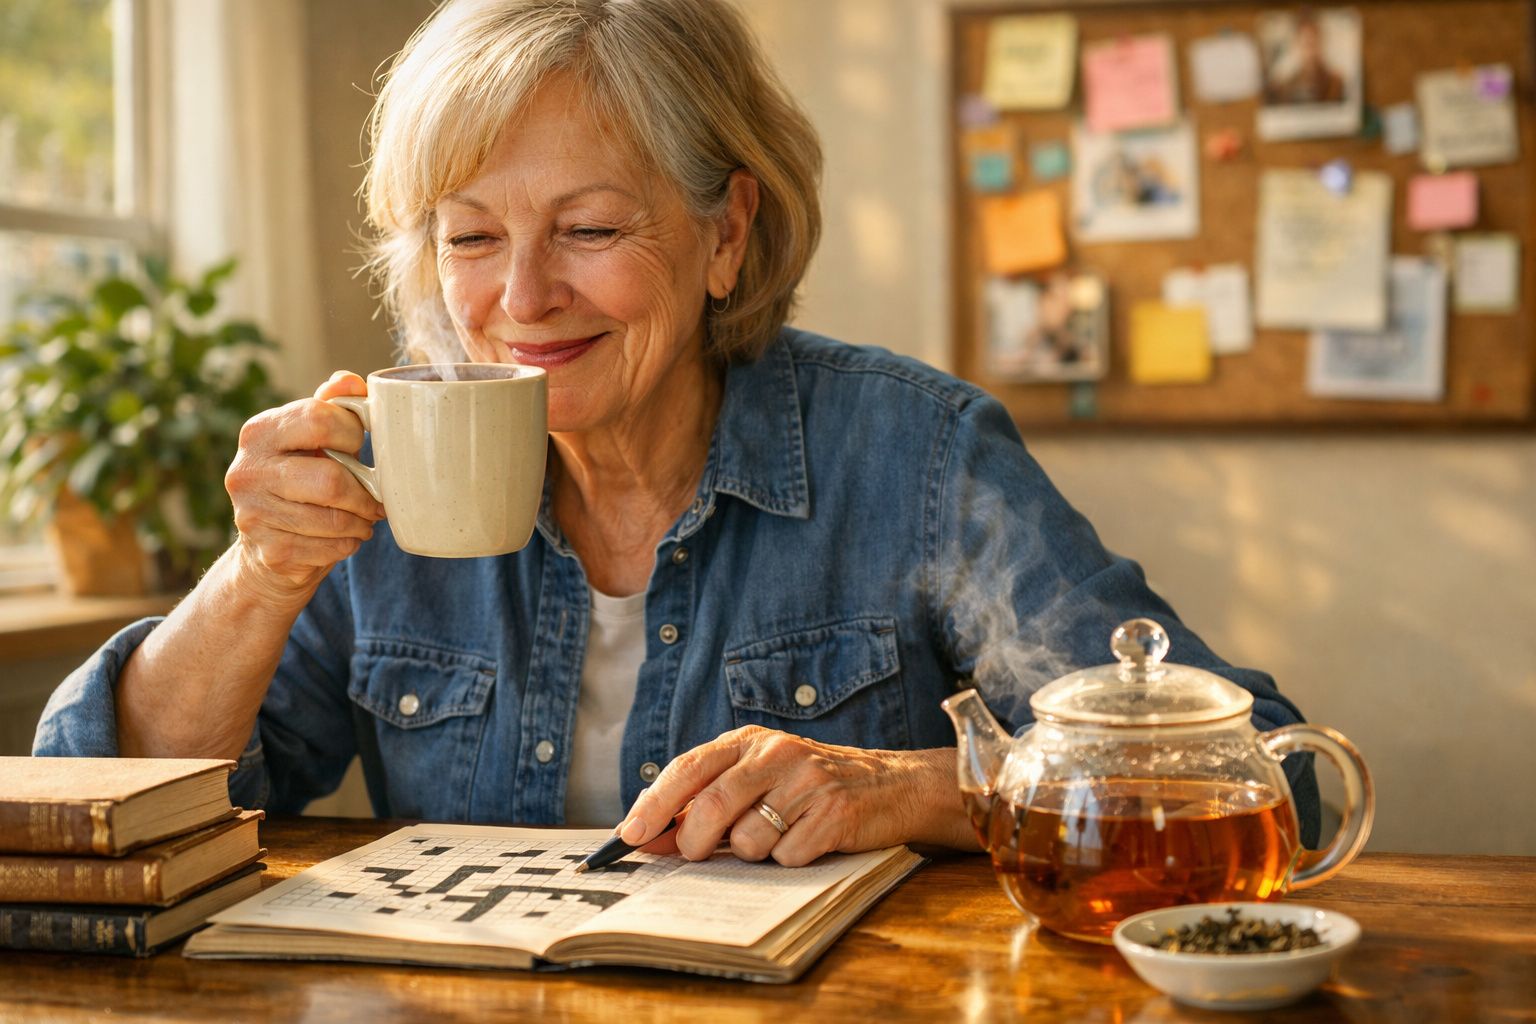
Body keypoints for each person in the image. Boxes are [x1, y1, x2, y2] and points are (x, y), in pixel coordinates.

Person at [35, 0, 1321, 862]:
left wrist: (926, 788)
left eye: (590, 230)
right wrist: (258, 575)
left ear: (725, 234)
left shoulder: (913, 456)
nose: (521, 299)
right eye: (471, 237)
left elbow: (1270, 778)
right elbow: (95, 806)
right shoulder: (386, 460)